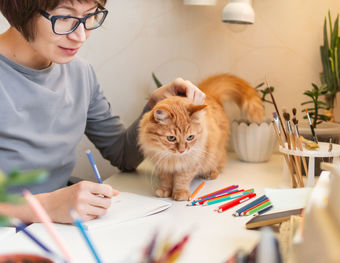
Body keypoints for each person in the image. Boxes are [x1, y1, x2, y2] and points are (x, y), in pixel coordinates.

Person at [0, 0, 205, 224]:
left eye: (90, 16)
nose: (81, 36)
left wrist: (155, 106)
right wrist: (46, 207)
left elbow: (123, 155)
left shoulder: (80, 73)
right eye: (64, 18)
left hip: (61, 228)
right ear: (19, 11)